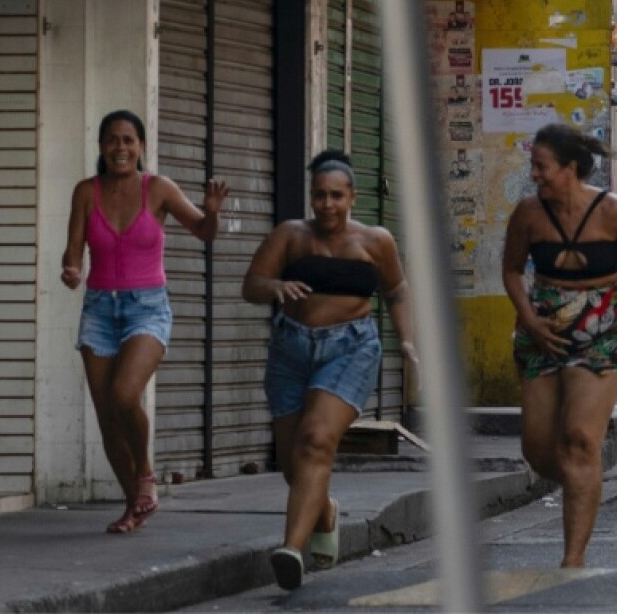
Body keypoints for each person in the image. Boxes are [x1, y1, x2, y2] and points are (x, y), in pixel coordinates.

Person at [242, 150, 415, 591]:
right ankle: (325, 512)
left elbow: (396, 290)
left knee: (316, 441)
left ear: (352, 197)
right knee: (291, 463)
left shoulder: (376, 241)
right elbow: (251, 285)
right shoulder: (290, 235)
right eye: (319, 195)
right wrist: (276, 286)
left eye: (336, 195)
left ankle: (290, 550)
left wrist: (407, 340)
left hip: (351, 349)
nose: (327, 205)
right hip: (290, 350)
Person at [61, 109, 229, 535]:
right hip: (99, 309)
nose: (120, 147)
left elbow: (204, 231)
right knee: (106, 417)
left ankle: (145, 475)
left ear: (140, 146)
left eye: (128, 139)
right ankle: (132, 505)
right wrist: (71, 270)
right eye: (112, 140)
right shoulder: (86, 192)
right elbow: (73, 251)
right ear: (101, 147)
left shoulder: (159, 189)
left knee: (124, 394)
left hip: (147, 307)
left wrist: (211, 213)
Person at [502, 122, 617, 568]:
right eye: (534, 166)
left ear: (570, 169)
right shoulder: (528, 215)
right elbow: (511, 270)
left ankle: (573, 558)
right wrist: (528, 317)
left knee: (579, 440)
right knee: (536, 448)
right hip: (543, 328)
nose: (535, 175)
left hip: (602, 328)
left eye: (542, 167)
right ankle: (582, 476)